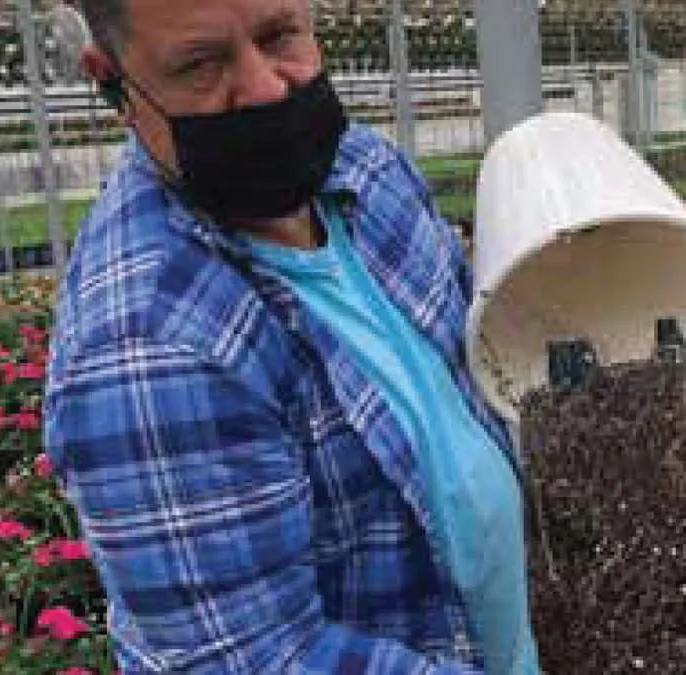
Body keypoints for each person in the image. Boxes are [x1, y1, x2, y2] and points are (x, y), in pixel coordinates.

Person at [41, 0, 541, 672]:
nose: (267, 87)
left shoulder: (363, 170)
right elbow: (261, 659)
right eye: (202, 64)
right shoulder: (151, 342)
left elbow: (479, 373)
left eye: (279, 36)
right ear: (113, 84)